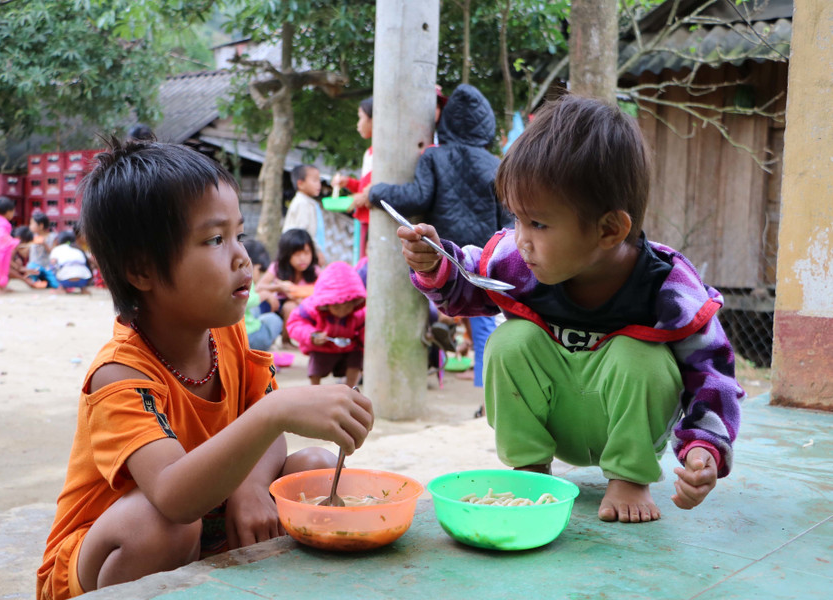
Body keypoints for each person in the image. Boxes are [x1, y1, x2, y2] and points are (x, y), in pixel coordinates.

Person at [36, 138, 374, 600]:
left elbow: (270, 438)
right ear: (141, 270)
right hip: (104, 559)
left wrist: (252, 486)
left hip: (202, 525)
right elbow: (175, 495)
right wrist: (275, 410)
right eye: (215, 240)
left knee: (310, 470)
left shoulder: (227, 336)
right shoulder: (120, 375)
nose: (242, 257)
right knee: (160, 527)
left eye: (238, 234)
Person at [395, 95, 743, 524]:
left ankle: (629, 476)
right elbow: (468, 281)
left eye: (538, 224)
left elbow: (713, 375)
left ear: (609, 230)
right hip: (555, 418)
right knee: (510, 340)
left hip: (626, 426)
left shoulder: (668, 288)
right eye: (517, 219)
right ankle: (530, 469)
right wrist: (436, 263)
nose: (521, 238)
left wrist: (704, 449)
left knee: (642, 358)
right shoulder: (518, 260)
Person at [367, 84, 512, 391]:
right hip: (480, 254)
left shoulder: (434, 158)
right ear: (486, 126)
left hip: (443, 251)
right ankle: (485, 389)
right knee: (485, 321)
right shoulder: (496, 165)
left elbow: (417, 197)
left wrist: (376, 192)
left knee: (435, 299)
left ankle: (440, 331)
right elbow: (507, 220)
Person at [286, 261, 365, 387]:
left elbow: (365, 329)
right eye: (337, 307)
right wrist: (311, 335)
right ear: (327, 303)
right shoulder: (311, 308)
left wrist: (363, 340)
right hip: (321, 348)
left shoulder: (359, 313)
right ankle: (315, 389)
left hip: (349, 348)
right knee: (316, 361)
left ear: (355, 302)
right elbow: (295, 322)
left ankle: (351, 389)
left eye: (348, 306)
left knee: (357, 357)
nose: (342, 311)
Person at [255, 228, 321, 344]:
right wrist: (278, 288)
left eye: (306, 253)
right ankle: (286, 341)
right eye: (297, 254)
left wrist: (300, 299)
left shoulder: (315, 271)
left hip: (307, 307)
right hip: (278, 308)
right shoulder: (277, 267)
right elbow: (259, 287)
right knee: (289, 306)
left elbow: (323, 292)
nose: (302, 258)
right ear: (287, 254)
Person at [282, 164, 353, 265]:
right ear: (300, 184)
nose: (319, 184)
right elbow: (303, 233)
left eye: (319, 180)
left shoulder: (309, 203)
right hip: (300, 253)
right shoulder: (302, 203)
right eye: (315, 180)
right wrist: (316, 252)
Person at [331, 96, 374, 258]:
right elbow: (365, 187)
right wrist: (348, 182)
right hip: (363, 218)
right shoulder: (369, 153)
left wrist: (356, 199)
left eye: (361, 118)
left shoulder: (381, 153)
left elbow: (370, 192)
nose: (358, 124)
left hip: (372, 220)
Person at [242, 239, 283, 352]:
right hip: (248, 336)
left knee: (259, 314)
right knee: (275, 320)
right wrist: (263, 295)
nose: (259, 275)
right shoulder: (244, 278)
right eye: (259, 270)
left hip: (240, 334)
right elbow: (243, 300)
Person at [27, 211, 60, 288]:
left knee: (56, 285)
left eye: (32, 224)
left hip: (48, 266)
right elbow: (25, 253)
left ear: (41, 226)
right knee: (31, 270)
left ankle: (45, 282)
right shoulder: (31, 237)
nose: (30, 226)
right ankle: (40, 282)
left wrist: (44, 244)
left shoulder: (53, 237)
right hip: (35, 265)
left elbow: (54, 253)